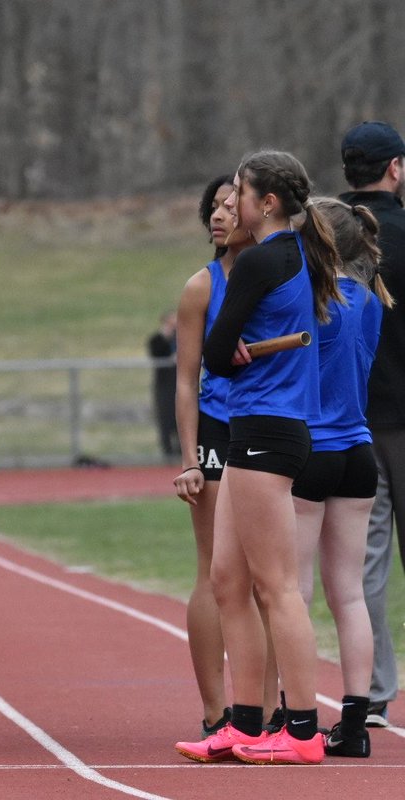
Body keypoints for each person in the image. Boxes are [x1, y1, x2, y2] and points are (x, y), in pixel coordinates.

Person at [175, 150, 342, 766]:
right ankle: (243, 722)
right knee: (227, 580)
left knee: (276, 587)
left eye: (237, 193)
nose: (229, 205)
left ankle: (300, 729)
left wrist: (235, 347)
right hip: (251, 428)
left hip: (269, 432)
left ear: (266, 203)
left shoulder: (264, 260)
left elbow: (217, 357)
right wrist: (235, 347)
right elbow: (225, 353)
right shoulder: (292, 252)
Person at [172, 176, 281, 739]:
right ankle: (217, 711)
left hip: (272, 426)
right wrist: (190, 457)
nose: (217, 214)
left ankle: (266, 711)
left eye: (228, 204)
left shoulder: (283, 274)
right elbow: (186, 382)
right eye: (211, 205)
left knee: (269, 577)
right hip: (219, 430)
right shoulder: (202, 286)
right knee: (216, 571)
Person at [292, 197, 392, 757]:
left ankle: (294, 712)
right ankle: (355, 722)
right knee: (349, 594)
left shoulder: (305, 299)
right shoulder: (371, 297)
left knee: (294, 591)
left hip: (310, 448)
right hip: (358, 449)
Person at [338, 120, 405, 729]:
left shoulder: (326, 235)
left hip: (349, 419)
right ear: (396, 169)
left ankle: (376, 690)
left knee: (365, 562)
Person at [148, 310, 179, 461]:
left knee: (179, 415)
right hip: (164, 383)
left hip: (178, 382)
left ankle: (180, 450)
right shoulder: (157, 339)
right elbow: (156, 354)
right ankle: (167, 451)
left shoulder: (179, 337)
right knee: (165, 415)